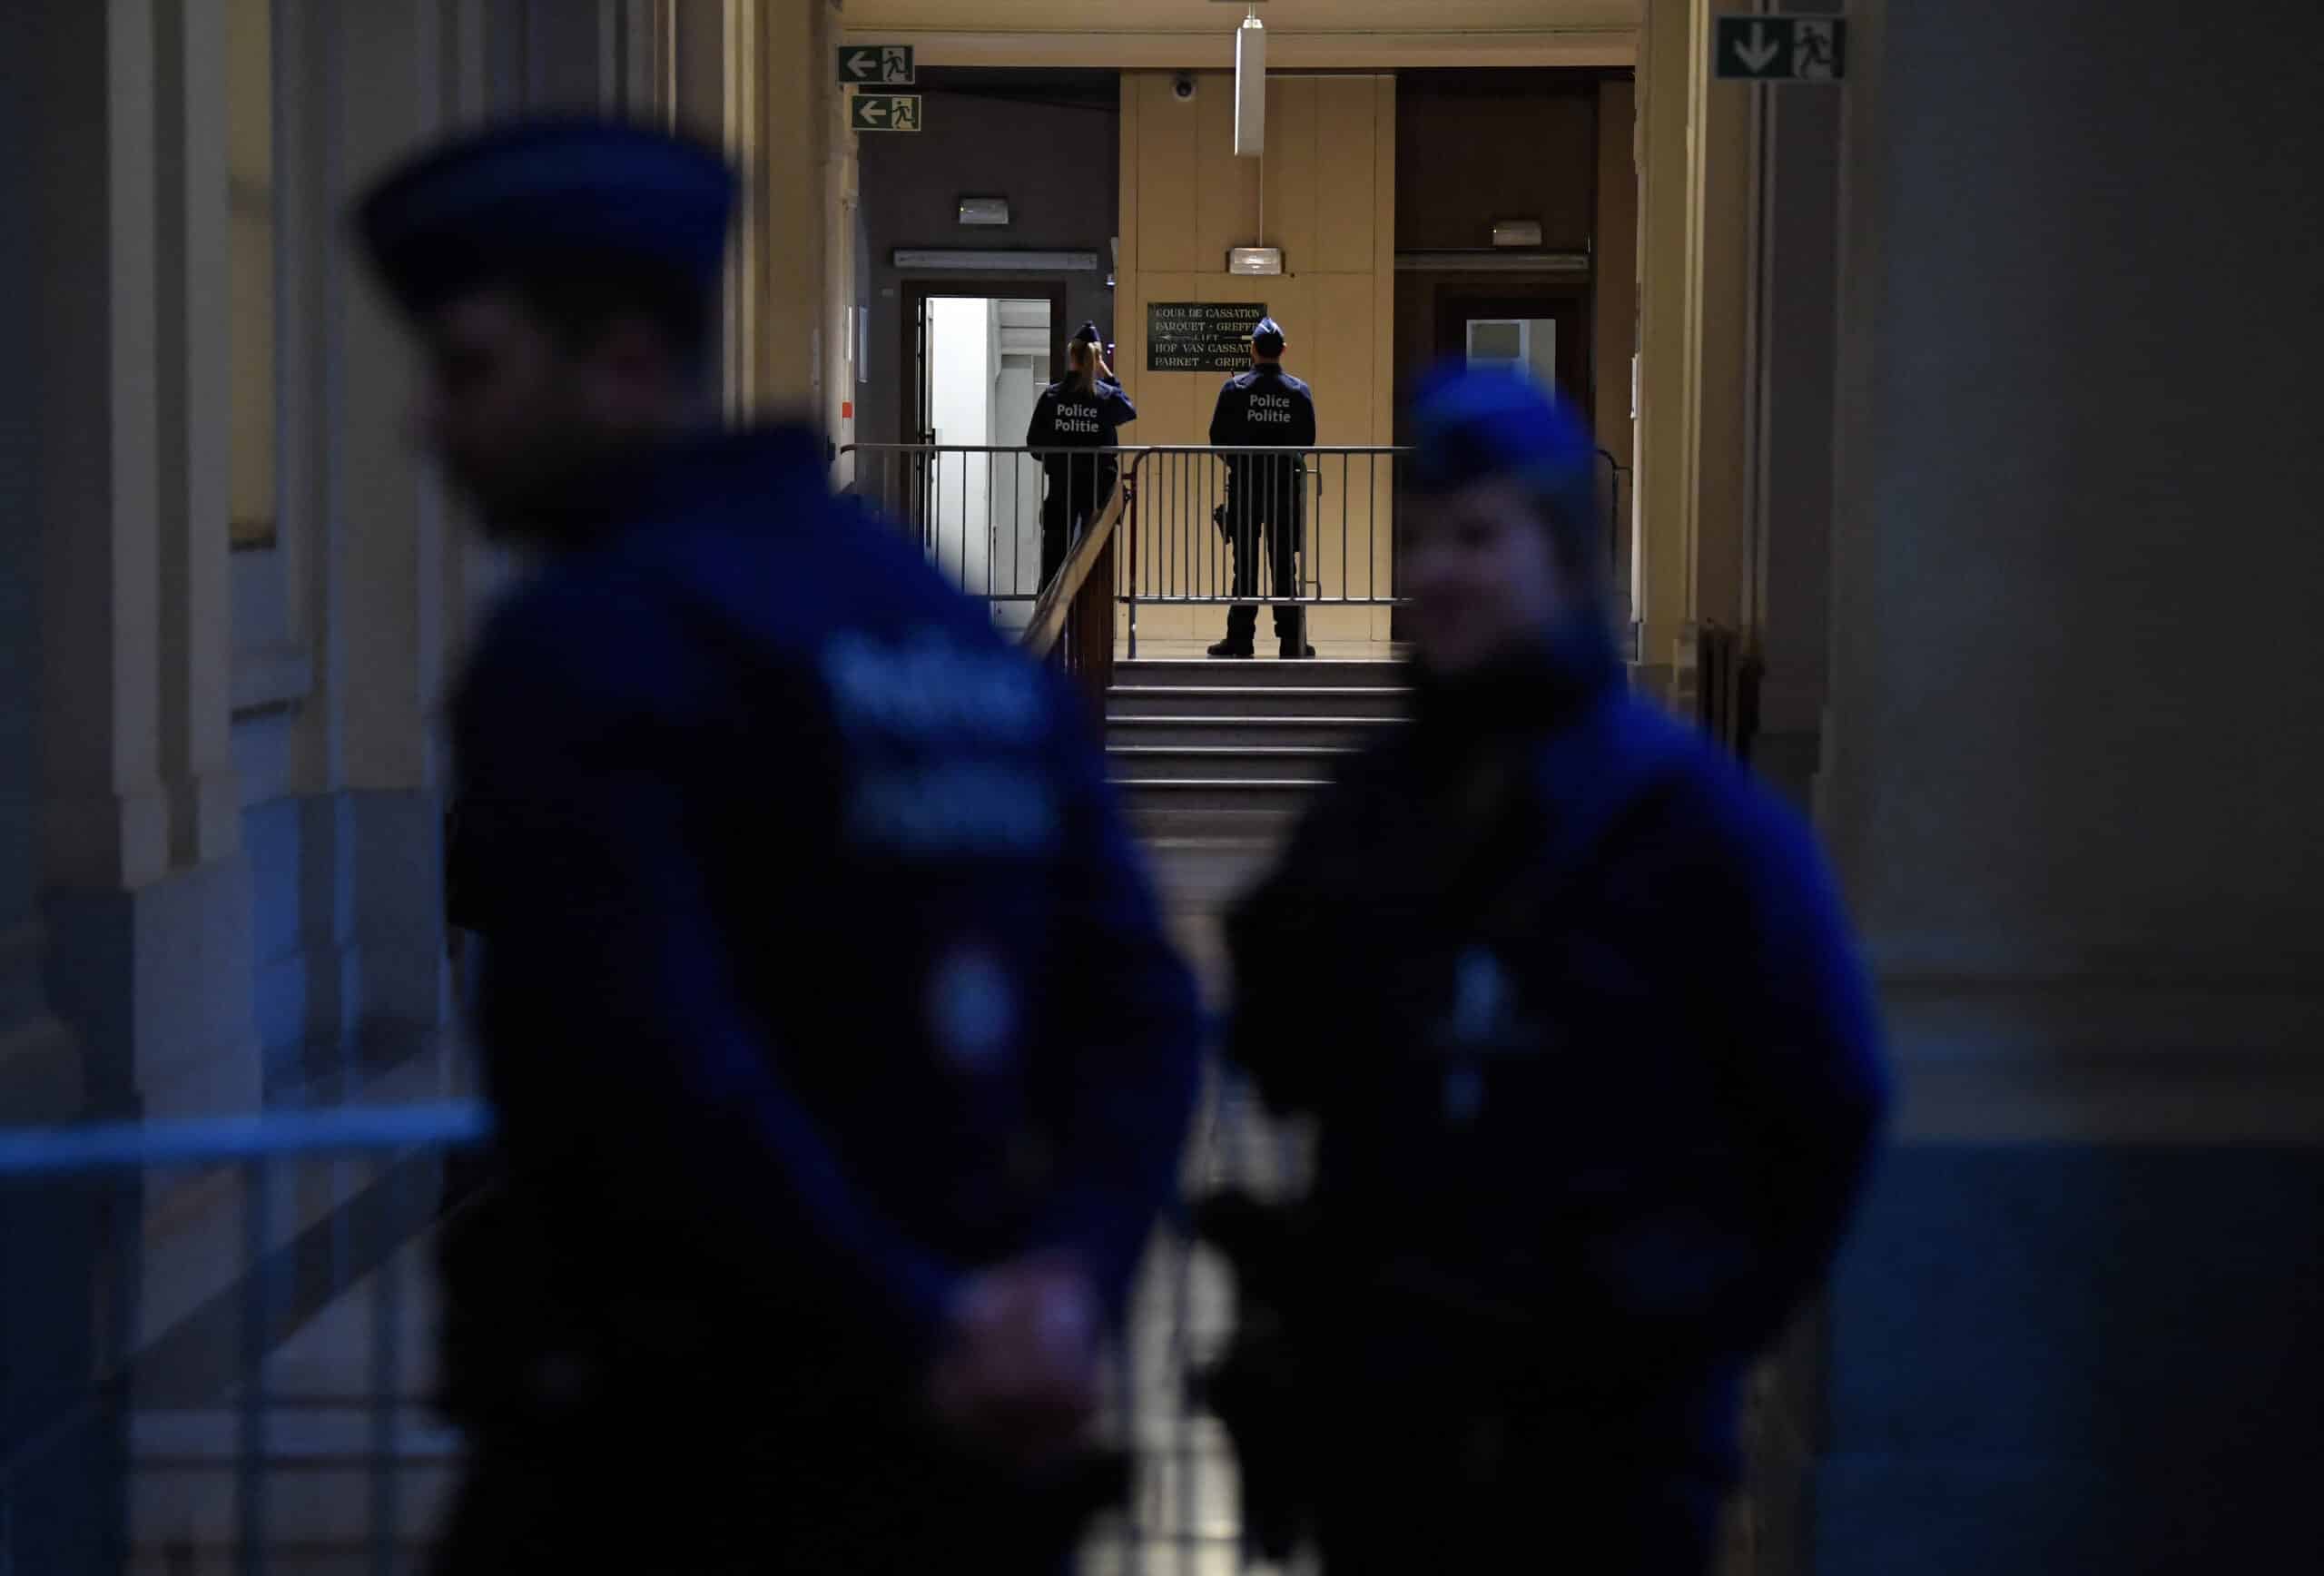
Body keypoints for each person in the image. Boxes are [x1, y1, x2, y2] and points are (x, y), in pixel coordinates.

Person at [354, 117, 1203, 1575]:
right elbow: (1144, 1004)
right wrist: (1060, 1289)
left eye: (470, 368)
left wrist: (913, 1326)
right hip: (955, 1473)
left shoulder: (589, 642)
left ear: (622, 364)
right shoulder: (923, 613)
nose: (428, 422)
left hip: (675, 1457)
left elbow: (660, 1065)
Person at [1208, 366, 1890, 1573]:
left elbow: (1826, 1104)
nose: (1439, 572)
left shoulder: (1692, 822)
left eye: (1480, 534)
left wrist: (1687, 1333)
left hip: (1605, 1444)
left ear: (1564, 553)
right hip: (1391, 1429)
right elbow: (1278, 1046)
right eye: (1416, 539)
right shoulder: (1368, 809)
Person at [1207, 316, 1316, 659]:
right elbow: (1307, 442)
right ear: (1283, 350)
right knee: (1285, 565)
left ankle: (1240, 639)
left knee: (1246, 566)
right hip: (1285, 488)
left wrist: (1240, 465)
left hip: (1245, 486)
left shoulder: (1234, 389)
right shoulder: (1299, 391)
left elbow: (1217, 440)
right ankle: (1291, 640)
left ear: (1253, 349)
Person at [1024, 322, 1135, 587]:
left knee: (1054, 559)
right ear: (1097, 359)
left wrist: (1055, 459)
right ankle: (1089, 624)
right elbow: (1128, 411)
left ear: (1071, 356)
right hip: (1097, 491)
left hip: (1062, 487)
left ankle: (1051, 622)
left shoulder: (1053, 396)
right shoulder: (1105, 396)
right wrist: (1106, 374)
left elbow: (1034, 443)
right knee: (1094, 561)